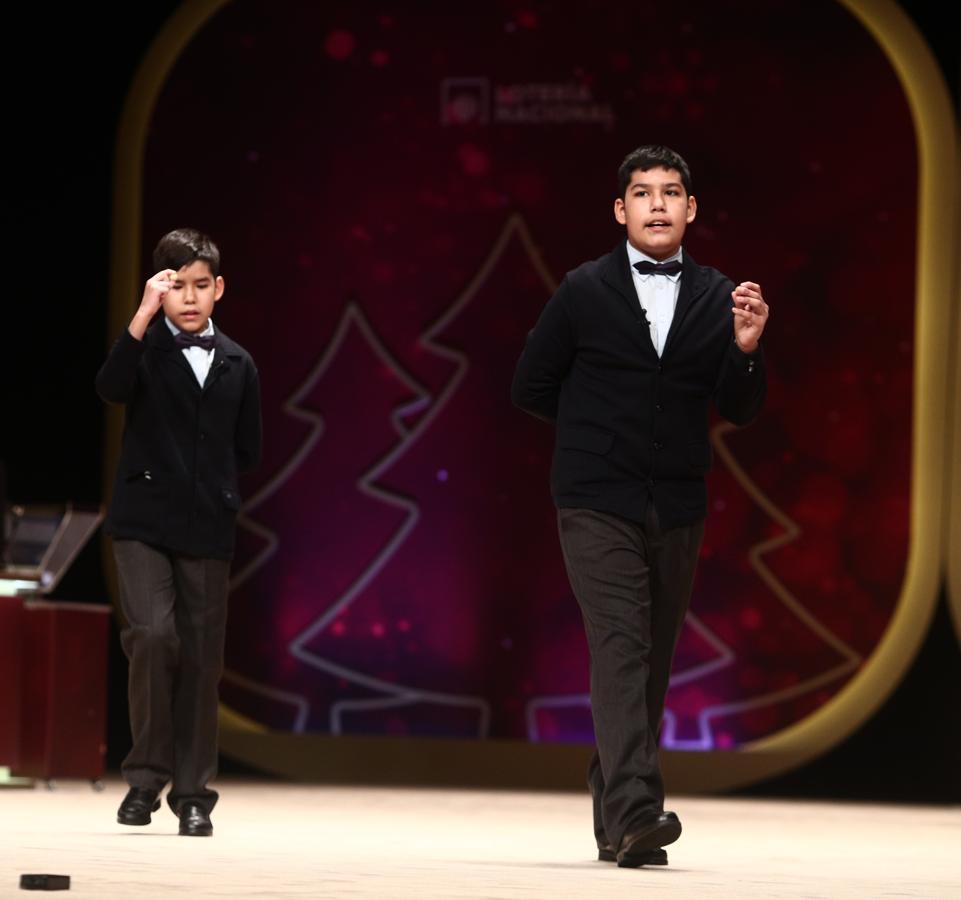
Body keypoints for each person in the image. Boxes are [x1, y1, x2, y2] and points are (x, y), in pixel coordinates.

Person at [511, 145, 768, 867]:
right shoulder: (583, 289)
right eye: (643, 192)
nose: (658, 203)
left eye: (671, 192)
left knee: (650, 660)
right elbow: (530, 386)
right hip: (596, 497)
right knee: (620, 646)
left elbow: (740, 407)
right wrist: (597, 431)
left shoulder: (719, 295)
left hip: (677, 501)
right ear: (620, 210)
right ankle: (637, 810)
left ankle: (613, 810)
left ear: (691, 209)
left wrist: (746, 348)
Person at [96, 228, 262, 836]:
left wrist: (210, 485)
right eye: (176, 286)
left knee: (200, 658)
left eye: (200, 285)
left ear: (218, 288)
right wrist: (141, 317)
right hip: (143, 520)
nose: (189, 298)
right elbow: (110, 387)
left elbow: (248, 448)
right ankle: (145, 778)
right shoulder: (144, 349)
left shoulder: (239, 362)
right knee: (152, 636)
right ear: (159, 290)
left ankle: (193, 794)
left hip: (207, 523)